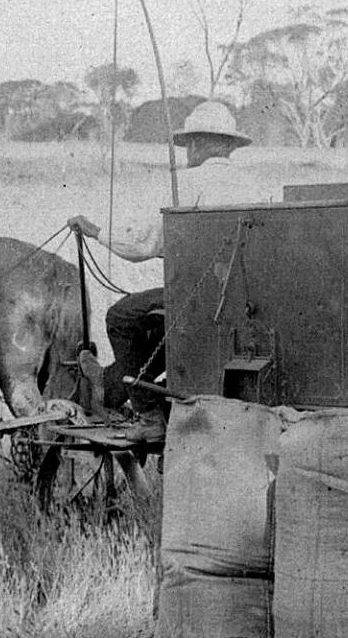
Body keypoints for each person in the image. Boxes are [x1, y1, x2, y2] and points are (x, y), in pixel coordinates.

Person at [67, 100, 279, 437]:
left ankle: (148, 414)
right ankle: (128, 385)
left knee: (121, 317)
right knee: (156, 319)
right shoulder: (257, 186)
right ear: (229, 145)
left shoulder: (185, 183)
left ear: (196, 143)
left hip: (198, 301)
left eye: (189, 145)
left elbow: (142, 245)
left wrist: (95, 233)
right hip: (249, 302)